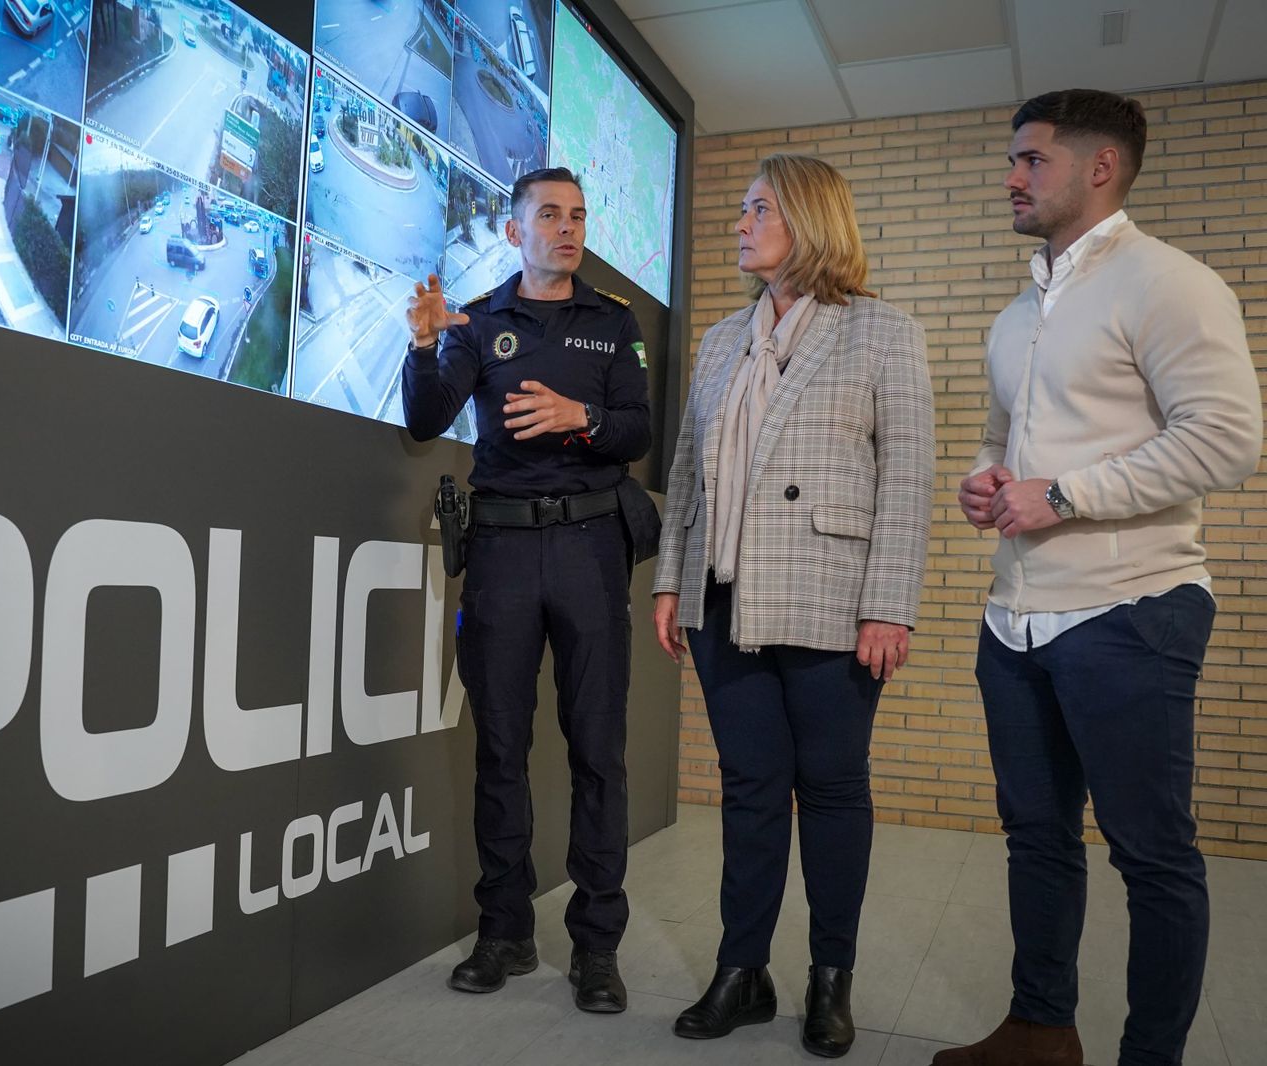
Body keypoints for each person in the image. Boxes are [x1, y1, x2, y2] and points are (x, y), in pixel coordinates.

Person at [940, 89, 1261, 1066]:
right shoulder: (1016, 313)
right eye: (1013, 159)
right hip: (1016, 621)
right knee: (1036, 838)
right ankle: (1041, 1028)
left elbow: (1226, 438)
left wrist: (1065, 496)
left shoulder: (1169, 283)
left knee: (1151, 856)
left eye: (1030, 159)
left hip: (1133, 612)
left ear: (1098, 168)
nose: (1010, 176)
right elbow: (1006, 439)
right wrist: (987, 477)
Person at [653, 154, 934, 1058]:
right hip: (722, 600)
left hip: (832, 599)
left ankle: (829, 977)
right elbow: (688, 471)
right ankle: (744, 973)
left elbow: (910, 482)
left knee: (836, 790)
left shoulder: (880, 333)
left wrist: (888, 604)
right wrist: (670, 579)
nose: (739, 223)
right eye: (738, 209)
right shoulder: (722, 339)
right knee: (748, 791)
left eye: (756, 208)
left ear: (807, 219)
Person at [402, 166, 649, 1014]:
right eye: (549, 215)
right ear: (515, 232)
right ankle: (503, 931)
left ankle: (596, 947)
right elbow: (426, 420)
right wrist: (426, 345)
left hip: (589, 548)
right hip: (503, 549)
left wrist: (581, 418)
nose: (567, 228)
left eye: (578, 215)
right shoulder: (480, 320)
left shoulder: (613, 324)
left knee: (597, 753)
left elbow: (639, 431)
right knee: (501, 749)